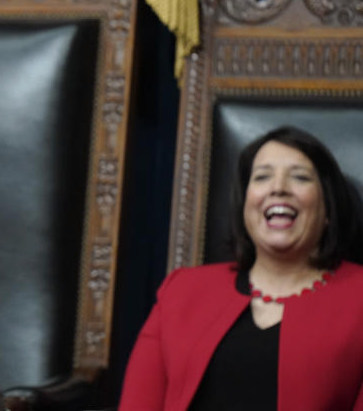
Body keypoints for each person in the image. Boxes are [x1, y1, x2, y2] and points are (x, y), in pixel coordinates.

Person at [119, 126, 363, 410]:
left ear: (329, 210)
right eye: (262, 177)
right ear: (245, 204)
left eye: (300, 177)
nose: (278, 187)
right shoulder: (180, 291)